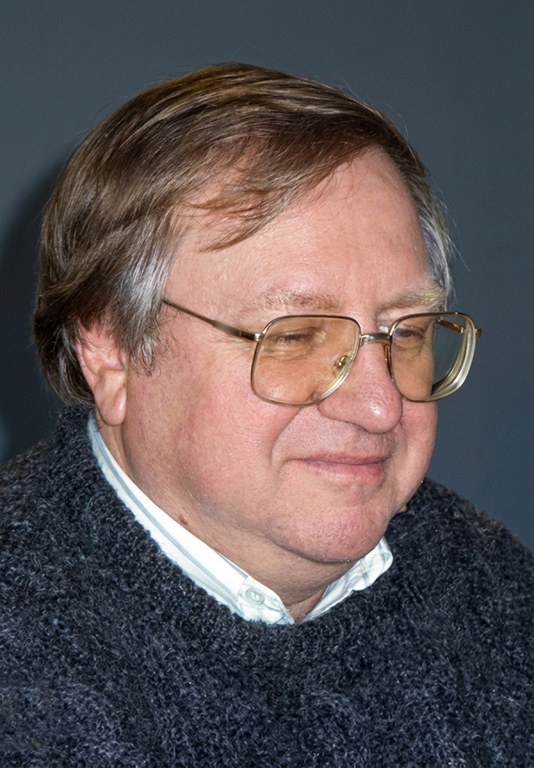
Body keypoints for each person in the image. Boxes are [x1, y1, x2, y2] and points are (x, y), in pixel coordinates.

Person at [0, 63, 532, 767]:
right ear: (112, 352)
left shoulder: (489, 584)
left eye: (406, 333)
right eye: (294, 337)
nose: (380, 406)